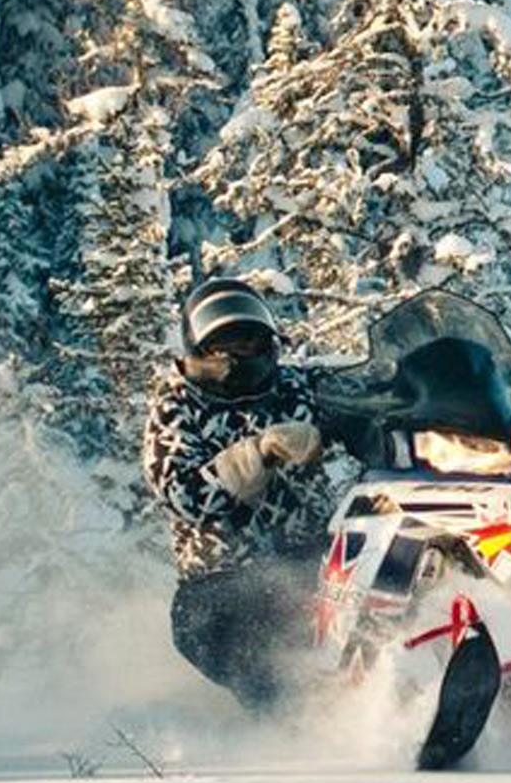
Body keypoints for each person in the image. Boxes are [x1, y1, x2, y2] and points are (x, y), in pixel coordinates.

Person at [143, 278, 378, 710]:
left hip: (319, 560)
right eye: (223, 345)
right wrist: (258, 453)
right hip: (226, 581)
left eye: (249, 341)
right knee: (224, 625)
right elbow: (184, 494)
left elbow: (374, 400)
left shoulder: (300, 386)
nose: (238, 354)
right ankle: (291, 725)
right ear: (198, 349)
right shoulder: (178, 406)